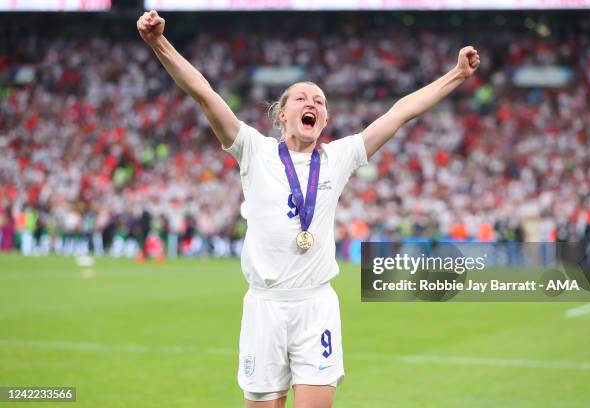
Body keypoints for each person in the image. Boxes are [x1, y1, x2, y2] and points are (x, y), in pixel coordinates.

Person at [137, 10, 480, 408]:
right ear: (283, 115)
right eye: (301, 97)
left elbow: (400, 112)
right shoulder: (253, 149)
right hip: (264, 306)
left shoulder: (340, 156)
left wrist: (456, 75)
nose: (311, 102)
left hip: (315, 305)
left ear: (324, 119)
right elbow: (203, 93)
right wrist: (158, 43)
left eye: (319, 100)